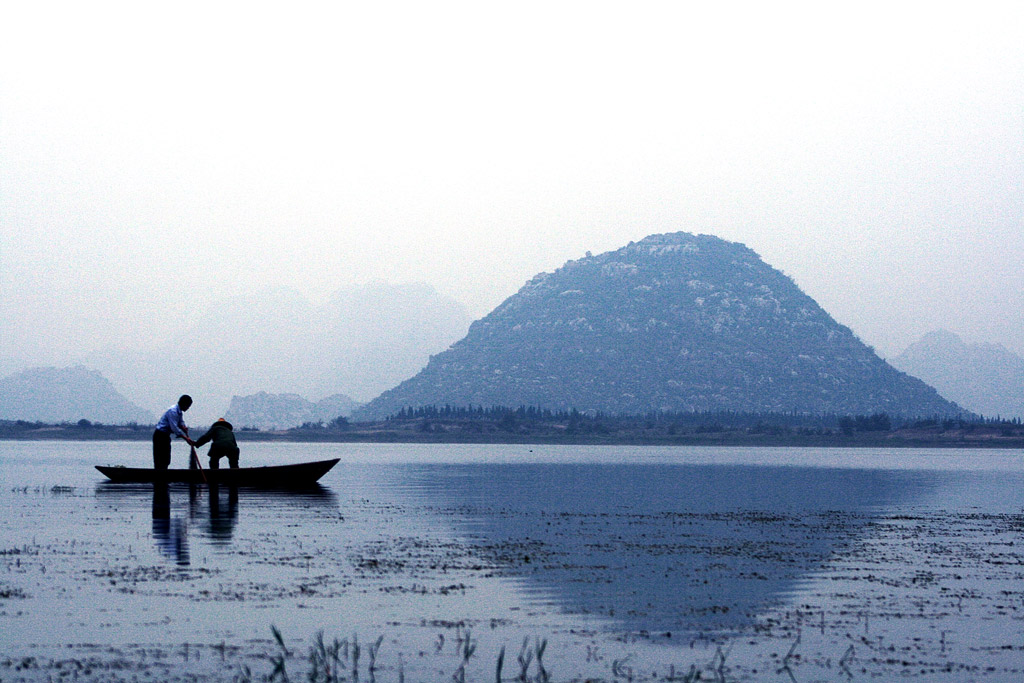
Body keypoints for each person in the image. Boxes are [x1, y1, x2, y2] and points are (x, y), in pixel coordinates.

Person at [153, 395, 195, 470]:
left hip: (166, 436)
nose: (188, 408)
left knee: (166, 458)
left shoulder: (179, 412)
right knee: (159, 458)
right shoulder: (173, 411)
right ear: (184, 404)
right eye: (188, 406)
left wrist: (184, 427)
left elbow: (180, 422)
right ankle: (159, 475)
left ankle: (164, 473)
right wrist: (185, 438)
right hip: (160, 435)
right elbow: (174, 427)